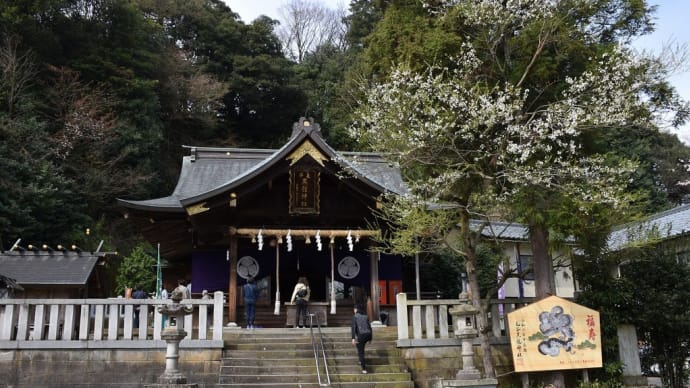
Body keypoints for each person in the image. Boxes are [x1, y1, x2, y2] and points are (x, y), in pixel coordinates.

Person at [351, 304, 372, 374]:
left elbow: (353, 328)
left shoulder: (355, 317)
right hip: (368, 335)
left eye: (354, 310)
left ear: (355, 310)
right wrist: (370, 338)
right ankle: (360, 360)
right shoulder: (365, 316)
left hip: (361, 335)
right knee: (359, 345)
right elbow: (370, 327)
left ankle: (364, 369)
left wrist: (353, 338)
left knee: (361, 352)